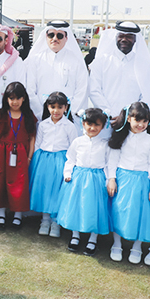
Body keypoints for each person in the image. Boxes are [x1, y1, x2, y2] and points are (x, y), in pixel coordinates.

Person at [106, 102, 150, 266]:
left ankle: (137, 246)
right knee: (119, 210)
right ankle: (117, 244)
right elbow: (113, 159)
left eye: (145, 121)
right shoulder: (120, 137)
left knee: (140, 214)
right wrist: (112, 178)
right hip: (123, 178)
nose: (141, 125)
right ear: (129, 118)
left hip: (142, 181)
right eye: (137, 120)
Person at [57, 107, 110, 255]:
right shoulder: (78, 142)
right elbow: (70, 159)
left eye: (97, 125)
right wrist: (68, 173)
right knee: (77, 206)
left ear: (103, 126)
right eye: (89, 124)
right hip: (79, 177)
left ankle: (93, 238)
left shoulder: (105, 144)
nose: (92, 128)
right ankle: (75, 235)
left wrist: (108, 180)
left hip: (96, 179)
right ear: (83, 123)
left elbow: (107, 164)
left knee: (94, 208)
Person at [88, 22, 150, 121]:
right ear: (116, 37)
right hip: (105, 118)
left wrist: (131, 114)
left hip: (133, 121)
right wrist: (109, 113)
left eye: (129, 37)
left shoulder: (144, 64)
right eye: (121, 36)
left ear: (135, 39)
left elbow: (148, 93)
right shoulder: (101, 61)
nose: (124, 39)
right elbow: (94, 90)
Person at [29, 92, 80, 233]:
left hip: (61, 161)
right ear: (47, 107)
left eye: (59, 107)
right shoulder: (43, 124)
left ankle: (55, 221)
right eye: (52, 107)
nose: (56, 111)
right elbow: (38, 144)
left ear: (66, 107)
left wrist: (70, 165)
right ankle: (44, 221)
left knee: (57, 191)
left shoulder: (69, 126)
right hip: (44, 161)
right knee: (44, 190)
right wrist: (36, 161)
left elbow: (73, 147)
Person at [0, 82, 38, 231]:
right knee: (1, 182)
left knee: (20, 184)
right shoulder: (0, 115)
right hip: (3, 153)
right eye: (11, 98)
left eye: (18, 98)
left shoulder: (28, 115)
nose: (14, 102)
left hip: (21, 155)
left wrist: (29, 158)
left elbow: (32, 138)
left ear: (24, 99)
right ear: (6, 99)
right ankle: (1, 214)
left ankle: (18, 215)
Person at [27, 21, 89, 113]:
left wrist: (67, 113)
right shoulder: (35, 60)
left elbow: (82, 90)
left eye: (59, 36)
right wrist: (41, 112)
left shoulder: (76, 61)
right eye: (51, 35)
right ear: (46, 36)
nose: (55, 39)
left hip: (68, 117)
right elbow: (30, 90)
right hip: (40, 116)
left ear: (66, 38)